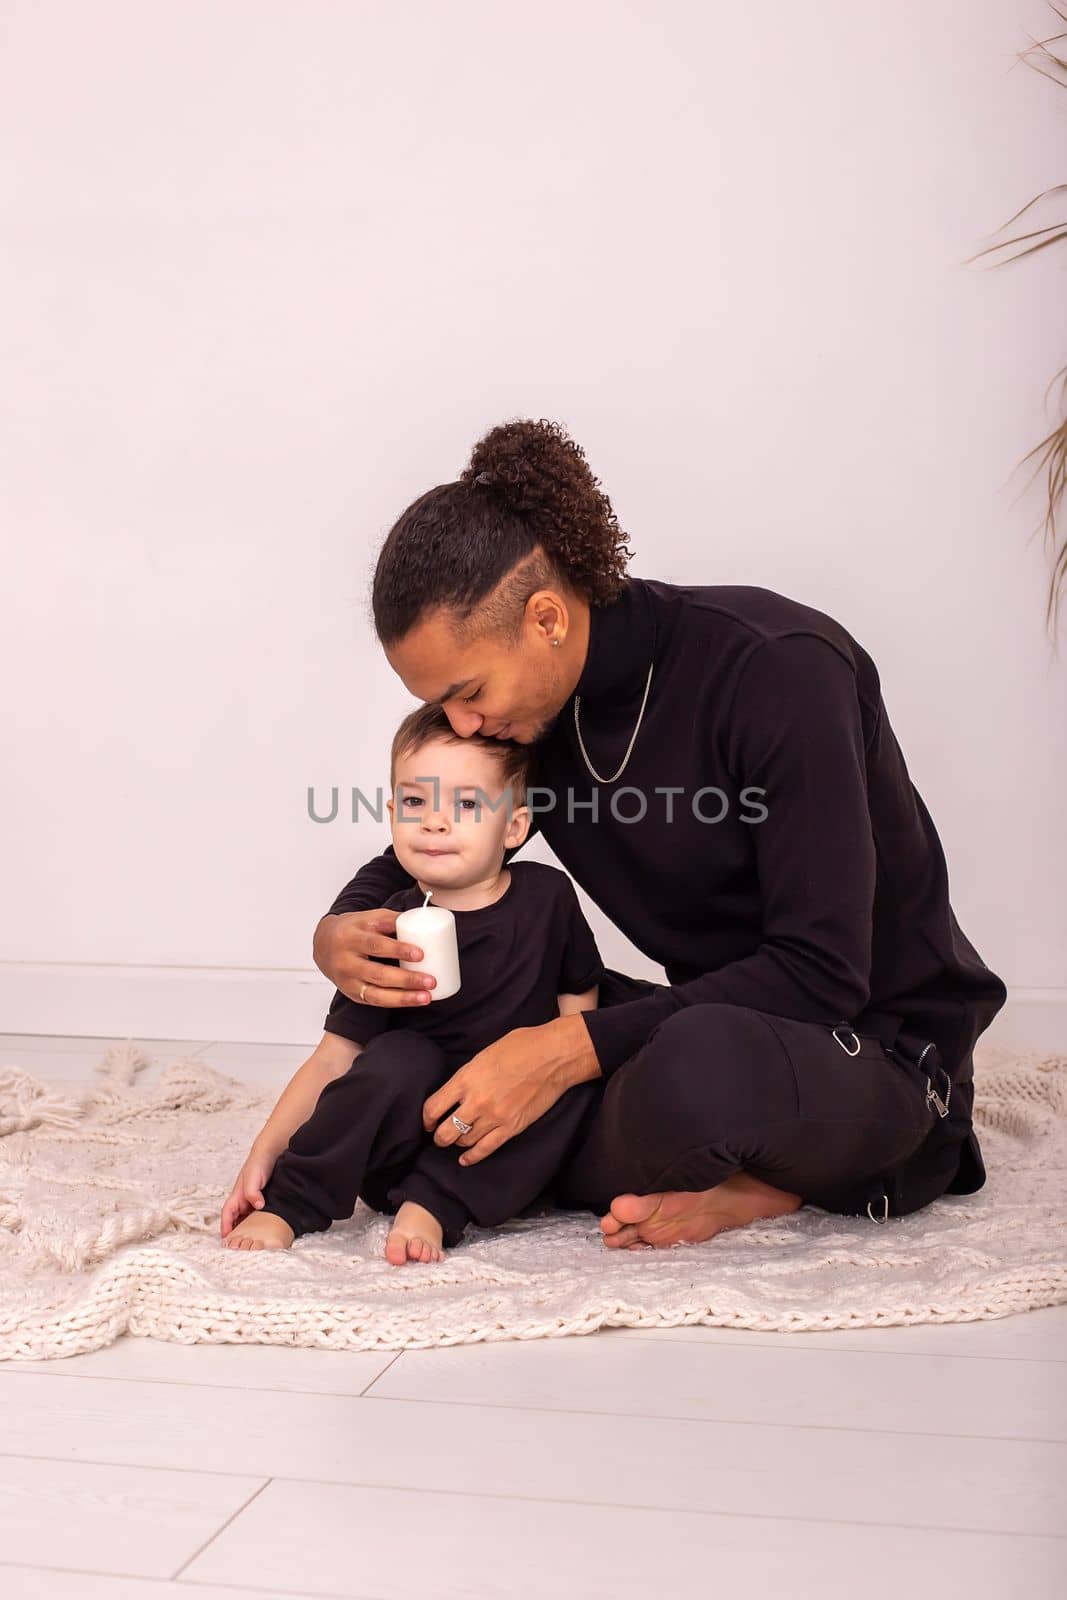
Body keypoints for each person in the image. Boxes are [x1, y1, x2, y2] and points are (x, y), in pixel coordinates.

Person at [312, 416, 1008, 1251]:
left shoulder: (776, 668)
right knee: (462, 1031)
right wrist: (339, 932)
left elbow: (821, 974)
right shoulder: (527, 722)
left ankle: (773, 1171)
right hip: (700, 1020)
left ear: (544, 619)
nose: (461, 723)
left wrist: (566, 1052)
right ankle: (713, 1166)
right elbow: (423, 847)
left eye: (467, 690)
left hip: (874, 1049)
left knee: (691, 1067)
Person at [220, 701, 606, 1262]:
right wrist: (266, 1151)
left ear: (515, 826)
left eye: (467, 803)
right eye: (415, 801)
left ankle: (434, 1203)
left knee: (578, 1082)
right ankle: (292, 1203)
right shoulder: (387, 927)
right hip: (400, 1144)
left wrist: (566, 1070)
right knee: (399, 1056)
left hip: (498, 1138)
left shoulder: (547, 898)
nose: (434, 820)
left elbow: (579, 1003)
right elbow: (334, 1058)